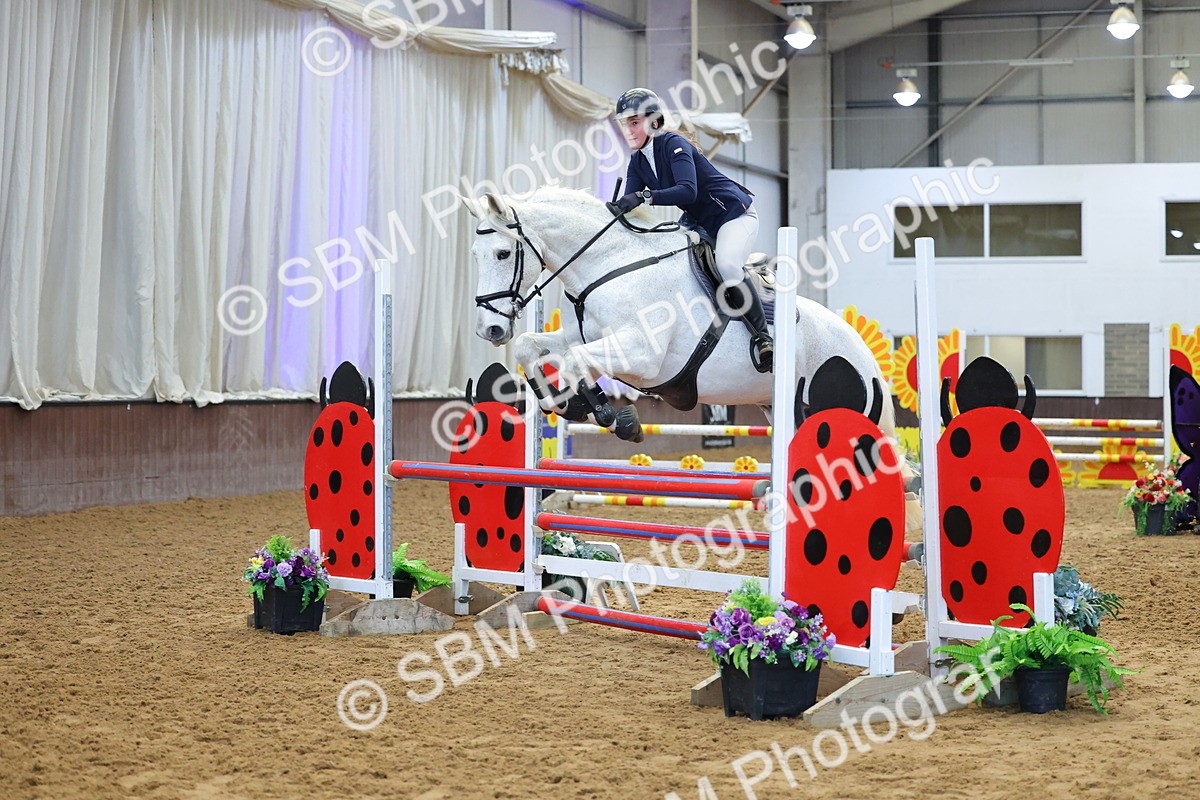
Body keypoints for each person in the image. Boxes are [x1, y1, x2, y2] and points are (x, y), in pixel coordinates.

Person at [612, 87, 773, 373]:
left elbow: (688, 190)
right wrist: (614, 212)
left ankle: (763, 337)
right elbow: (631, 203)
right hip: (699, 221)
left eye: (634, 122)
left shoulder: (673, 144)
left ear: (654, 121)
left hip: (733, 214)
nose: (629, 130)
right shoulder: (637, 161)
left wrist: (646, 196)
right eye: (625, 123)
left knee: (727, 264)